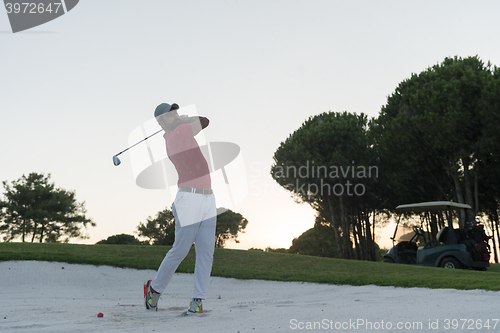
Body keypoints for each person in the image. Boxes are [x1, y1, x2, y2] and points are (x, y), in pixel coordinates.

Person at [144, 102, 216, 315]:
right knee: (181, 250)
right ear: (160, 122)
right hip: (189, 198)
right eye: (169, 114)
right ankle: (154, 290)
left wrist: (179, 118)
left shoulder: (180, 131)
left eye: (174, 111)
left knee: (206, 252)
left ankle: (198, 300)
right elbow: (204, 121)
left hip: (208, 198)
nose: (174, 114)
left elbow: (204, 121)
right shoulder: (177, 134)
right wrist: (183, 119)